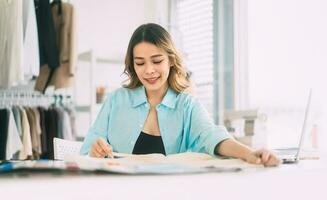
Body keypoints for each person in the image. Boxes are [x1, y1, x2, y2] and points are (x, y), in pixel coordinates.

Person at [80, 23, 280, 167]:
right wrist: (95, 150)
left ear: (171, 60)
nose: (149, 70)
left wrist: (250, 153)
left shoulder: (187, 106)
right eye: (140, 63)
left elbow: (212, 136)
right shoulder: (116, 100)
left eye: (157, 61)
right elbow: (87, 149)